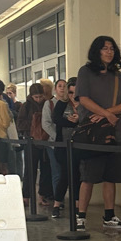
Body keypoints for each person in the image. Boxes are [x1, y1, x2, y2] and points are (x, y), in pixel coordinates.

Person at [74, 37, 121, 231]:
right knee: (88, 176)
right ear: (97, 51)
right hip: (92, 133)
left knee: (111, 176)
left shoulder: (119, 76)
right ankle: (80, 216)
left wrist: (109, 114)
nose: (109, 52)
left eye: (112, 48)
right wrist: (106, 113)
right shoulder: (86, 72)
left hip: (115, 133)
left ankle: (110, 215)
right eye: (105, 48)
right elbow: (83, 99)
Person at [17, 82, 52, 206]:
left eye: (40, 96)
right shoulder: (25, 106)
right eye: (36, 97)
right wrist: (33, 124)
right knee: (29, 170)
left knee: (45, 169)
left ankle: (41, 196)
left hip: (44, 141)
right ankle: (26, 196)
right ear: (31, 96)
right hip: (30, 141)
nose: (38, 99)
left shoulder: (47, 104)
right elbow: (20, 124)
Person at [51, 76, 80, 218]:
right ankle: (57, 204)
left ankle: (77, 205)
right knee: (65, 174)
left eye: (75, 92)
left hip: (79, 145)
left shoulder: (84, 104)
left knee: (77, 175)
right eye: (70, 92)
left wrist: (77, 121)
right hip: (63, 145)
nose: (73, 95)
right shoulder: (62, 104)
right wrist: (72, 122)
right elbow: (56, 119)